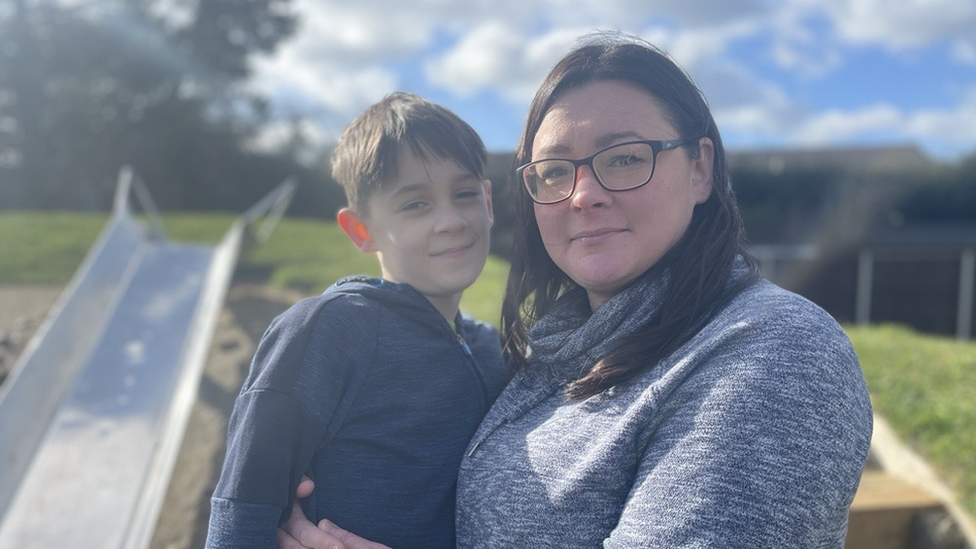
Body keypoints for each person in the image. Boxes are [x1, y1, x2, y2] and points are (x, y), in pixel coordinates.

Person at [279, 31, 873, 549]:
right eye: (556, 171)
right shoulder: (550, 356)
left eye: (623, 158)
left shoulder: (774, 352)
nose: (584, 194)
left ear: (700, 168)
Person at [205, 92, 510, 549]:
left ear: (487, 202)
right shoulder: (327, 330)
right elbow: (245, 500)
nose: (450, 220)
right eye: (415, 204)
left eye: (464, 194)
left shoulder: (494, 350)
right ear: (361, 231)